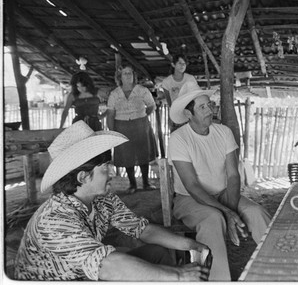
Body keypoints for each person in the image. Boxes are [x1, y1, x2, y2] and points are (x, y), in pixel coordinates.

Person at [14, 121, 210, 281]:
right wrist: (178, 275)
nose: (112, 172)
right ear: (83, 177)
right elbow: (106, 266)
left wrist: (190, 245)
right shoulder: (54, 220)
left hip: (86, 273)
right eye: (105, 168)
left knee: (156, 254)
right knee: (140, 268)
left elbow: (143, 230)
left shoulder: (103, 199)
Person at [167, 82, 271, 281]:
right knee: (213, 219)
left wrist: (230, 211)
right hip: (189, 199)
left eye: (210, 105)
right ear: (189, 114)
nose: (210, 110)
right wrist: (227, 213)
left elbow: (233, 176)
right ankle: (218, 280)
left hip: (225, 195)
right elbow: (192, 185)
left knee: (257, 212)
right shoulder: (178, 139)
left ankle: (279, 267)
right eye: (202, 107)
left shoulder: (223, 132)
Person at [106, 66, 157, 193]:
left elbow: (151, 106)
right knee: (126, 154)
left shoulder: (142, 90)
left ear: (134, 76)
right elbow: (110, 114)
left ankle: (146, 183)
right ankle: (132, 185)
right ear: (120, 77)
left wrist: (141, 116)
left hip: (140, 125)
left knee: (142, 153)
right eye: (125, 73)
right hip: (122, 127)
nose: (128, 75)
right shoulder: (115, 94)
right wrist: (112, 131)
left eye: (130, 73)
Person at [157, 55, 198, 132]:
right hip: (175, 117)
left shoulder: (190, 79)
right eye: (180, 63)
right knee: (177, 139)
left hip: (190, 116)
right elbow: (169, 101)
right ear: (173, 64)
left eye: (184, 63)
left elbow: (195, 96)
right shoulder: (167, 82)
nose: (182, 65)